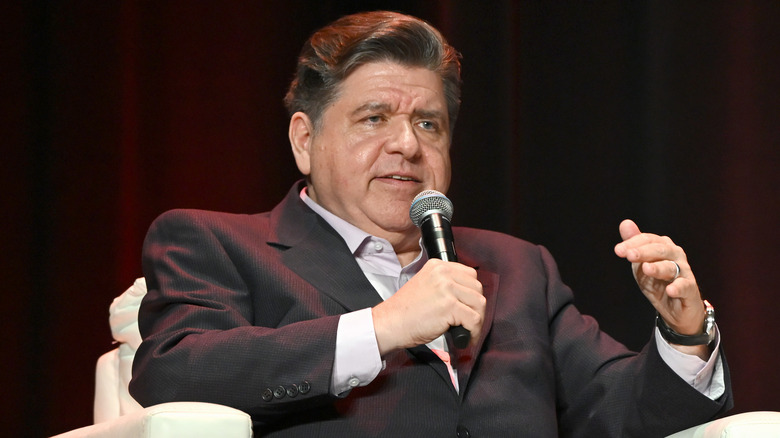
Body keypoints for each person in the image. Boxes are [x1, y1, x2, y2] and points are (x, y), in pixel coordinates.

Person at [129, 10, 732, 437]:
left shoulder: (517, 266)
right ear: (305, 140)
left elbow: (620, 414)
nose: (406, 147)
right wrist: (383, 327)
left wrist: (684, 336)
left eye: (428, 124)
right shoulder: (218, 243)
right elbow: (174, 372)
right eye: (374, 118)